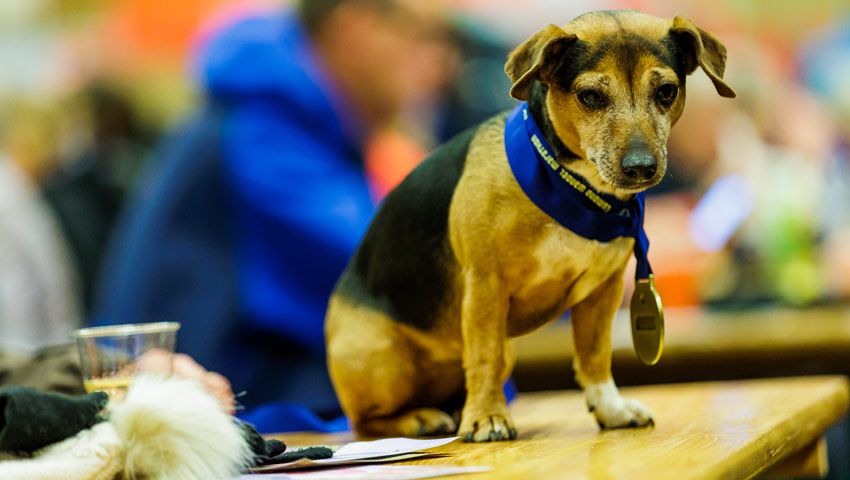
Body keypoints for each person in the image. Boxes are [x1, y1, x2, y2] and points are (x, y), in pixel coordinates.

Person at [95, 0, 458, 432]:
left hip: (250, 410)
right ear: (356, 25)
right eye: (422, 36)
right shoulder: (265, 131)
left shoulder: (295, 121)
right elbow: (396, 276)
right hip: (230, 425)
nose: (444, 64)